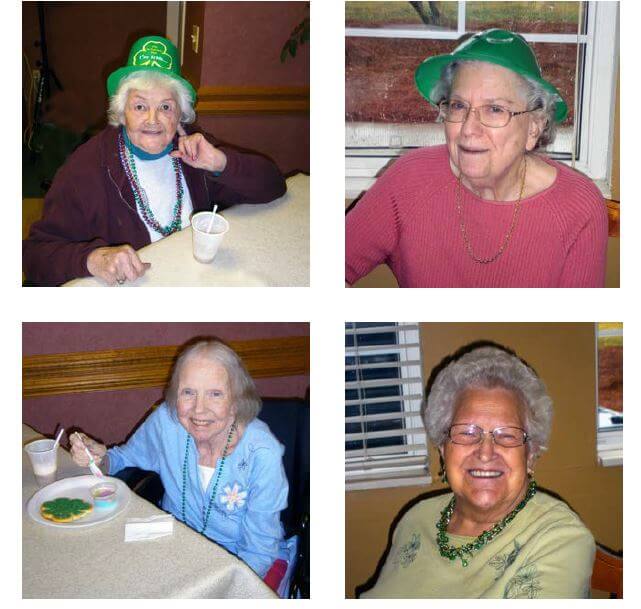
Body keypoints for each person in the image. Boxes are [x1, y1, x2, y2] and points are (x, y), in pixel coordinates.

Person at [346, 29, 608, 287]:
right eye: (459, 106)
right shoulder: (408, 180)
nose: (469, 129)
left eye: (495, 109)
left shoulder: (579, 209)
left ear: (533, 128)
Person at [23, 35, 286, 286]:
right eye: (139, 106)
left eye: (165, 107)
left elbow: (274, 186)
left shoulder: (194, 149)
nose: (152, 119)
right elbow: (35, 255)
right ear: (122, 112)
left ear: (180, 114)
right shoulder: (84, 169)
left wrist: (221, 164)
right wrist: (92, 259)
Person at [361, 346, 595, 598]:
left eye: (507, 435)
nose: (485, 453)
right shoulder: (415, 519)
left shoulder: (561, 538)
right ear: (443, 449)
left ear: (530, 454)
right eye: (467, 432)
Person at [70, 339, 288, 579]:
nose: (199, 409)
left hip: (241, 562)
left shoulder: (261, 452)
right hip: (175, 547)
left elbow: (259, 551)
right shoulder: (167, 421)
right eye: (188, 393)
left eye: (215, 394)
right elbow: (120, 459)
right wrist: (97, 459)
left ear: (236, 400)